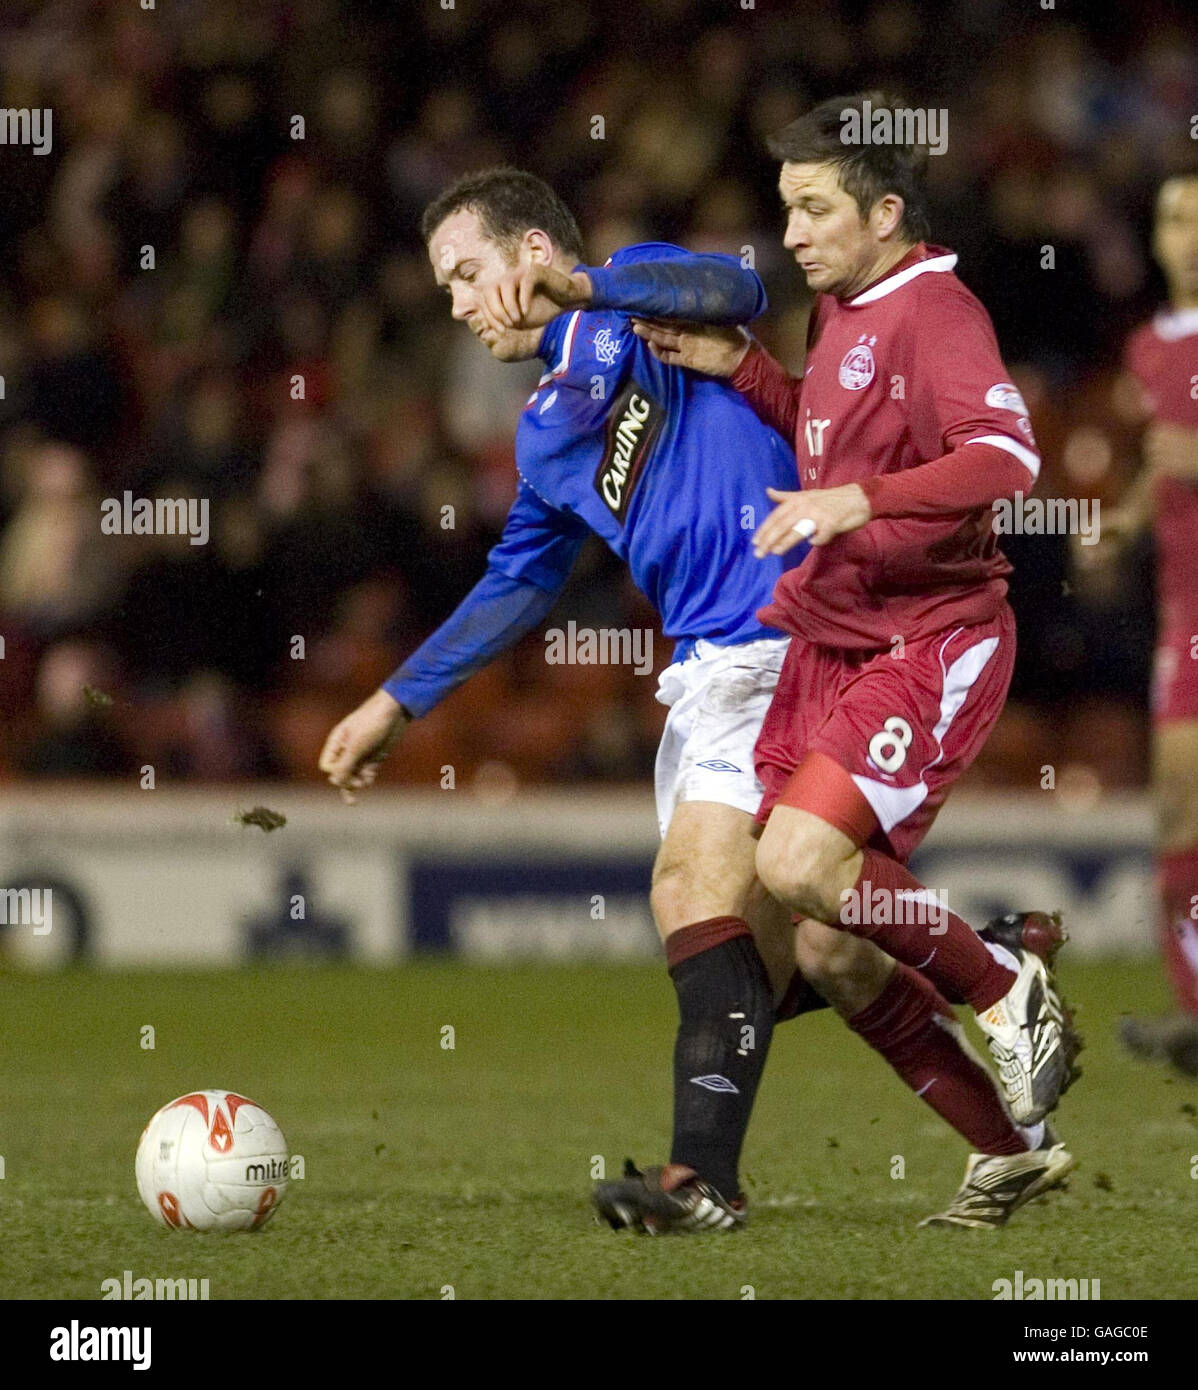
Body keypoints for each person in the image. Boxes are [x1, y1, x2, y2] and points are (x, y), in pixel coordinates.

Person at [319, 165, 1067, 1234]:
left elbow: (735, 294)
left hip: (790, 641)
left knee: (694, 893)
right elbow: (522, 578)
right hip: (712, 674)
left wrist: (586, 290)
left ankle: (699, 1182)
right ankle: (1010, 1128)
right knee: (814, 948)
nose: (457, 303)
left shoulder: (633, 293)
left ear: (534, 253)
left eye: (467, 273)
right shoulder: (545, 432)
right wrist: (396, 701)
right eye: (444, 287)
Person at [626, 92, 1082, 1228]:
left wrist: (859, 498)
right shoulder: (843, 310)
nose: (791, 234)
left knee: (790, 865)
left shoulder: (936, 310)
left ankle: (1002, 977)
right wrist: (741, 366)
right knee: (828, 947)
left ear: (884, 211)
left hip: (928, 641)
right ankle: (1003, 1150)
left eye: (815, 209)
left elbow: (1006, 455)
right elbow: (829, 440)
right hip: (832, 642)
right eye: (785, 209)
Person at [1112, 173, 1198, 1078]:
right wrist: (1128, 521)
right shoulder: (1147, 346)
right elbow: (1159, 461)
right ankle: (1193, 1008)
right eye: (1175, 217)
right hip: (1186, 611)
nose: (1188, 235)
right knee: (1176, 808)